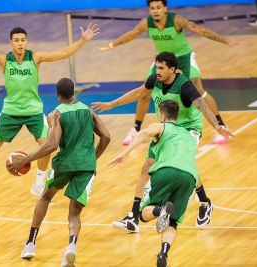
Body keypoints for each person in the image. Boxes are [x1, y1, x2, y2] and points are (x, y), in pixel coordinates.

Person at [0, 22, 99, 207]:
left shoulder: (35, 58)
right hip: (10, 111)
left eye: (23, 40)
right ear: (11, 43)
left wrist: (83, 40)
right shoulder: (3, 59)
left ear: (26, 42)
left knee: (46, 145)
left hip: (33, 112)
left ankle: (38, 185)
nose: (20, 43)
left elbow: (63, 53)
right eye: (17, 40)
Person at [92, 52, 233, 231]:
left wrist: (217, 126)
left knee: (183, 163)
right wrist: (112, 104)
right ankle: (133, 217)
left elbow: (202, 106)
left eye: (161, 68)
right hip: (166, 127)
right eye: (156, 67)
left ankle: (204, 202)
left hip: (188, 129)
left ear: (172, 70)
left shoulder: (185, 86)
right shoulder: (154, 80)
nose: (157, 71)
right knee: (146, 166)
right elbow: (138, 93)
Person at [8, 78, 111, 266]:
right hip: (87, 166)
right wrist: (92, 158)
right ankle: (71, 246)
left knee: (46, 197)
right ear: (74, 93)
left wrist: (25, 160)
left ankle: (31, 243)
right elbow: (106, 136)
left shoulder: (55, 114)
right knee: (75, 213)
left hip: (64, 164)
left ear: (58, 95)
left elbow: (52, 145)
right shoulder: (88, 110)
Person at [100, 0, 232, 145]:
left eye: (158, 7)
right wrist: (112, 45)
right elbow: (131, 34)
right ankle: (136, 130)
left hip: (183, 57)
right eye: (152, 8)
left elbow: (201, 30)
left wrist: (225, 40)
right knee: (144, 91)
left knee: (199, 92)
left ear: (165, 8)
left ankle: (220, 126)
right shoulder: (146, 23)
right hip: (163, 60)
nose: (155, 11)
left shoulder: (176, 20)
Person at [109, 100, 198, 267]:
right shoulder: (188, 135)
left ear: (162, 116)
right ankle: (163, 253)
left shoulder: (161, 126)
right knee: (172, 222)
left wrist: (125, 153)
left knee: (143, 214)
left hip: (167, 170)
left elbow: (143, 134)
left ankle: (160, 210)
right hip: (190, 177)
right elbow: (192, 164)